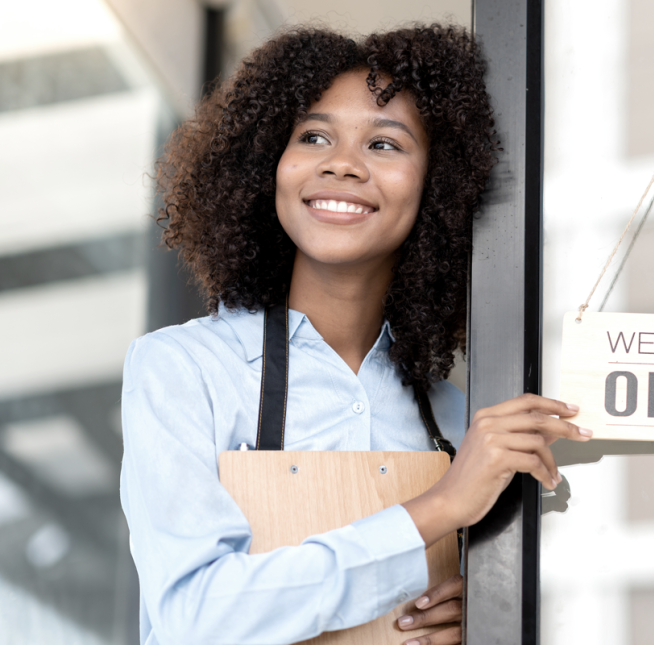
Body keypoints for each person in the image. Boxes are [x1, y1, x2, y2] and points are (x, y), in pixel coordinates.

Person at [120, 24, 590, 645]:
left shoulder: (458, 421)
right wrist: (439, 509)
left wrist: (483, 612)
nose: (341, 163)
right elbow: (194, 619)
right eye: (313, 136)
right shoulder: (184, 370)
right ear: (269, 166)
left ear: (439, 188)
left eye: (385, 144)